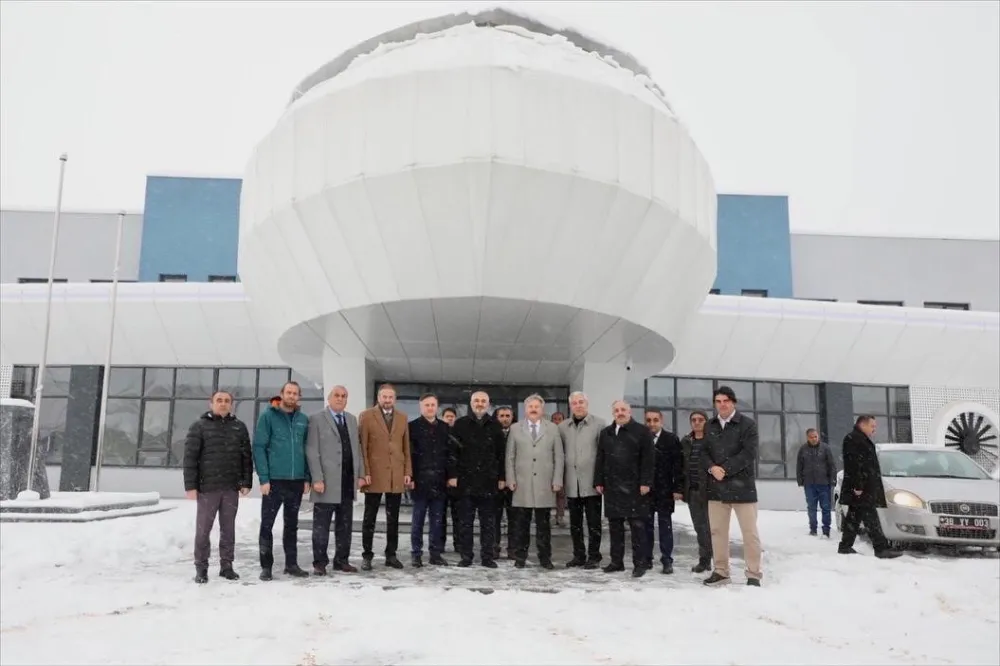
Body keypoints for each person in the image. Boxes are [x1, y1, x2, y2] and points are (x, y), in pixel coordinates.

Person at [183, 390, 253, 584]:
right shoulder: (199, 427)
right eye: (219, 400)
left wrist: (246, 482)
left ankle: (227, 566)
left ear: (231, 404)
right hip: (208, 488)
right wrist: (191, 486)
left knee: (228, 529)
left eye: (227, 401)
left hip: (230, 488)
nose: (223, 404)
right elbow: (190, 459)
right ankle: (201, 568)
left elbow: (246, 457)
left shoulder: (239, 427)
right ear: (211, 403)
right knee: (203, 529)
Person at [702, 386, 763, 587]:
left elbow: (748, 454)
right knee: (717, 532)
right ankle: (721, 571)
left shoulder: (747, 425)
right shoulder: (709, 425)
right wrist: (712, 468)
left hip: (742, 488)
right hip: (716, 488)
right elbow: (702, 452)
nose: (722, 405)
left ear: (733, 402)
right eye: (718, 401)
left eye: (726, 400)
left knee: (750, 534)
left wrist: (725, 470)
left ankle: (753, 574)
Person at [254, 381, 311, 581]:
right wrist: (264, 478)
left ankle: (291, 564)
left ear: (299, 397)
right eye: (288, 392)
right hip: (274, 481)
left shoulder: (303, 420)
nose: (292, 396)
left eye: (295, 393)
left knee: (292, 525)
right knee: (267, 524)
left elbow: (307, 450)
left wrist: (307, 477)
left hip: (296, 481)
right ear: (282, 394)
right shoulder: (268, 417)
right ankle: (266, 566)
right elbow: (259, 447)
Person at [306, 385, 362, 575]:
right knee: (321, 526)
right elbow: (312, 450)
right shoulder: (316, 419)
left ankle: (341, 560)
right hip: (325, 483)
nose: (340, 398)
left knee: (345, 526)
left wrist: (359, 475)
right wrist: (317, 478)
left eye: (344, 396)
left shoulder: (352, 420)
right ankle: (319, 563)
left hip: (346, 482)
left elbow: (357, 450)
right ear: (329, 398)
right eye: (336, 395)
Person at [595, 400, 654, 578]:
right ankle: (616, 562)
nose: (620, 413)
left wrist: (646, 482)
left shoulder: (642, 432)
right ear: (612, 413)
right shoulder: (606, 433)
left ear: (630, 411)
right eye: (616, 410)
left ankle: (640, 563)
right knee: (615, 527)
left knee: (637, 527)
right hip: (612, 487)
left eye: (623, 410)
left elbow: (649, 459)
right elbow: (601, 458)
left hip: (635, 487)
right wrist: (599, 481)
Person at [448, 391, 506, 568]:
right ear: (471, 403)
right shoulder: (460, 424)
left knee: (488, 523)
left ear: (488, 404)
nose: (480, 404)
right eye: (476, 401)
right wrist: (452, 475)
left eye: (483, 401)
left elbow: (501, 455)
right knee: (465, 523)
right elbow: (452, 453)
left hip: (488, 482)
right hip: (465, 482)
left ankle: (487, 557)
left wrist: (502, 477)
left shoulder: (495, 426)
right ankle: (466, 556)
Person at [506, 395, 564, 569]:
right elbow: (510, 456)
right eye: (530, 406)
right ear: (525, 409)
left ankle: (545, 558)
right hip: (522, 483)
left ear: (542, 409)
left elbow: (558, 456)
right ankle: (520, 557)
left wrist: (557, 480)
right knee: (521, 524)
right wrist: (511, 479)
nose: (533, 409)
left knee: (543, 525)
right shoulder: (515, 428)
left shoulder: (553, 428)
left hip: (544, 484)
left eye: (536, 406)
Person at [358, 383, 412, 570]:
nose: (387, 400)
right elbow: (362, 447)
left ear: (394, 399)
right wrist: (364, 472)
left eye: (390, 397)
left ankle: (391, 554)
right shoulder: (366, 416)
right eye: (384, 397)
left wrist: (407, 472)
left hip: (395, 475)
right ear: (378, 398)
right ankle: (367, 555)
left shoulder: (403, 418)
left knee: (393, 519)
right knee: (369, 518)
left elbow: (406, 448)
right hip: (374, 474)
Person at [838, 416, 902, 559]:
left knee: (855, 517)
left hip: (864, 486)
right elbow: (854, 464)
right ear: (863, 425)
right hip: (862, 487)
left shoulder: (859, 438)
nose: (874, 429)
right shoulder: (853, 439)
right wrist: (858, 485)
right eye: (872, 426)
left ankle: (846, 546)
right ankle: (880, 548)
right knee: (870, 518)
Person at [559, 391, 605, 569]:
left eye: (581, 402)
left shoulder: (599, 424)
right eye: (575, 403)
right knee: (575, 524)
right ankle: (579, 555)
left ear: (587, 404)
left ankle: (594, 556)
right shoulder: (563, 427)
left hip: (592, 482)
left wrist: (601, 479)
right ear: (570, 406)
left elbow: (603, 454)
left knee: (594, 523)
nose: (578, 405)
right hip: (572, 482)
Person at [408, 394, 452, 567]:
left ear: (437, 407)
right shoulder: (412, 427)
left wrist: (450, 476)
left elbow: (450, 454)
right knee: (417, 520)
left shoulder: (444, 427)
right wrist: (410, 477)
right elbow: (409, 455)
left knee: (437, 521)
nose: (430, 408)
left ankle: (435, 553)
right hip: (420, 481)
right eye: (426, 405)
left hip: (440, 482)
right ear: (421, 407)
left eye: (433, 404)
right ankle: (416, 553)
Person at [643, 408, 683, 574]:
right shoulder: (641, 438)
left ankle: (667, 560)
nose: (652, 424)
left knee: (665, 526)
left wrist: (678, 488)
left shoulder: (671, 439)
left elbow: (678, 466)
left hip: (665, 491)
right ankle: (647, 559)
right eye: (649, 420)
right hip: (645, 491)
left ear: (661, 421)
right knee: (646, 527)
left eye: (655, 420)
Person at [679, 410, 713, 573]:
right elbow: (680, 468)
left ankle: (718, 561)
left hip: (711, 492)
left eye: (701, 419)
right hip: (693, 491)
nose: (697, 422)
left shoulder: (713, 440)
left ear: (706, 422)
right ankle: (704, 560)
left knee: (713, 528)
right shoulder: (686, 441)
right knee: (700, 527)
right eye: (694, 420)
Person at [796, 428, 838, 537]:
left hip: (824, 483)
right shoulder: (803, 449)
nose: (814, 439)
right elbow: (799, 466)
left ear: (818, 436)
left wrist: (832, 480)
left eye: (815, 436)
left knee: (826, 507)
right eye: (811, 437)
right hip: (809, 483)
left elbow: (832, 465)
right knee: (811, 507)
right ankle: (813, 529)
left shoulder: (825, 448)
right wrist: (800, 480)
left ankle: (826, 530)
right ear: (807, 438)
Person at [493, 406, 515, 560]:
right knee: (494, 518)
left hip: (514, 483)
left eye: (507, 415)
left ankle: (513, 549)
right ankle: (494, 547)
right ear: (497, 417)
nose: (505, 418)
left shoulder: (518, 432)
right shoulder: (492, 433)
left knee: (514, 518)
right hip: (495, 483)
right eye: (501, 416)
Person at [440, 407, 461, 552]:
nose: (450, 418)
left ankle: (458, 543)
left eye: (452, 416)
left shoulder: (459, 434)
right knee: (440, 516)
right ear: (442, 417)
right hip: (440, 480)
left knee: (457, 515)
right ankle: (440, 544)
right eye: (447, 416)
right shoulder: (438, 432)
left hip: (456, 481)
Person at [550, 411, 567, 527]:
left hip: (563, 466)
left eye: (559, 419)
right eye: (554, 419)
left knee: (561, 493)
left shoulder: (566, 434)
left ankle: (560, 516)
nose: (556, 421)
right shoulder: (548, 433)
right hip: (548, 466)